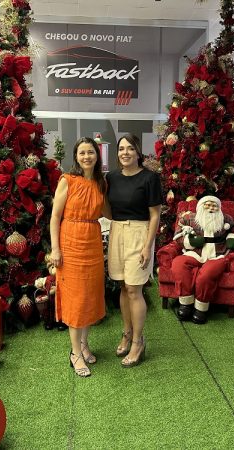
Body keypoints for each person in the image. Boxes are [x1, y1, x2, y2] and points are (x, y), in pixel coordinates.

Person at [50, 137, 107, 378]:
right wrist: (55, 249)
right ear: (76, 156)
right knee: (76, 300)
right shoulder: (67, 180)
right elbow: (55, 217)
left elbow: (108, 212)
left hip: (92, 243)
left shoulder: (100, 183)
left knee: (89, 297)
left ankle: (84, 345)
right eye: (82, 153)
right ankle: (75, 354)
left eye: (90, 152)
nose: (86, 157)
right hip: (70, 244)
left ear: (97, 155)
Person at [106, 133, 161, 368]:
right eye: (121, 149)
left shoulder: (150, 178)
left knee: (134, 289)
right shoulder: (112, 177)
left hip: (140, 233)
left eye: (130, 148)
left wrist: (148, 246)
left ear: (138, 152)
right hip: (117, 231)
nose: (125, 152)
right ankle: (127, 333)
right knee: (122, 285)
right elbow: (108, 209)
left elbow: (155, 215)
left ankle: (138, 342)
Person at [171, 195, 234, 323]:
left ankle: (201, 308)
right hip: (195, 253)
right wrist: (190, 241)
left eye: (214, 205)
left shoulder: (226, 219)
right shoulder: (189, 218)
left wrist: (233, 239)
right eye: (208, 205)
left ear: (218, 208)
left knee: (207, 273)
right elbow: (178, 234)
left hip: (217, 255)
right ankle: (186, 303)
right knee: (178, 264)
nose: (211, 208)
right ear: (201, 206)